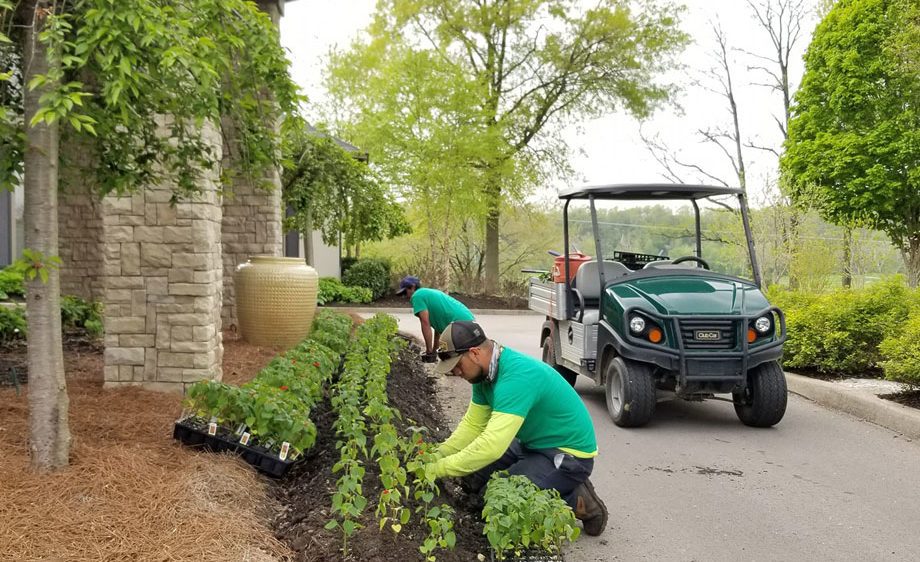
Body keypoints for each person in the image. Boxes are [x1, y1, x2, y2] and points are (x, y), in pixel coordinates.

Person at [425, 320, 608, 536]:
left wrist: (439, 468)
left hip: (568, 454)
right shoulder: (483, 376)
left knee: (498, 499)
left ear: (474, 353)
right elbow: (472, 426)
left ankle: (578, 499)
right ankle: (544, 476)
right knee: (472, 476)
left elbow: (492, 446)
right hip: (531, 443)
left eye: (457, 364)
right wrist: (436, 455)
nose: (456, 372)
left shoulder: (516, 377)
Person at [396, 275, 474, 362]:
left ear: (412, 287)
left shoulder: (417, 296)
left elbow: (425, 323)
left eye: (405, 292)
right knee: (448, 352)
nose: (404, 296)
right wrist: (434, 351)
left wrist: (429, 352)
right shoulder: (427, 293)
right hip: (468, 322)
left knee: (449, 357)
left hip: (458, 325)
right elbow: (438, 329)